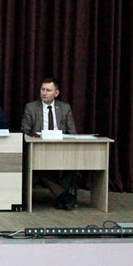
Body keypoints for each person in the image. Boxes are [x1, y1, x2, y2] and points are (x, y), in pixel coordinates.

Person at [21, 78, 79, 209]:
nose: (44, 93)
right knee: (36, 166)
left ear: (56, 93)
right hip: (39, 150)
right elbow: (25, 131)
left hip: (62, 149)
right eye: (43, 89)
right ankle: (64, 196)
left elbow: (72, 132)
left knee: (76, 164)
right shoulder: (31, 107)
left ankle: (61, 196)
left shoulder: (65, 108)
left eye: (48, 90)